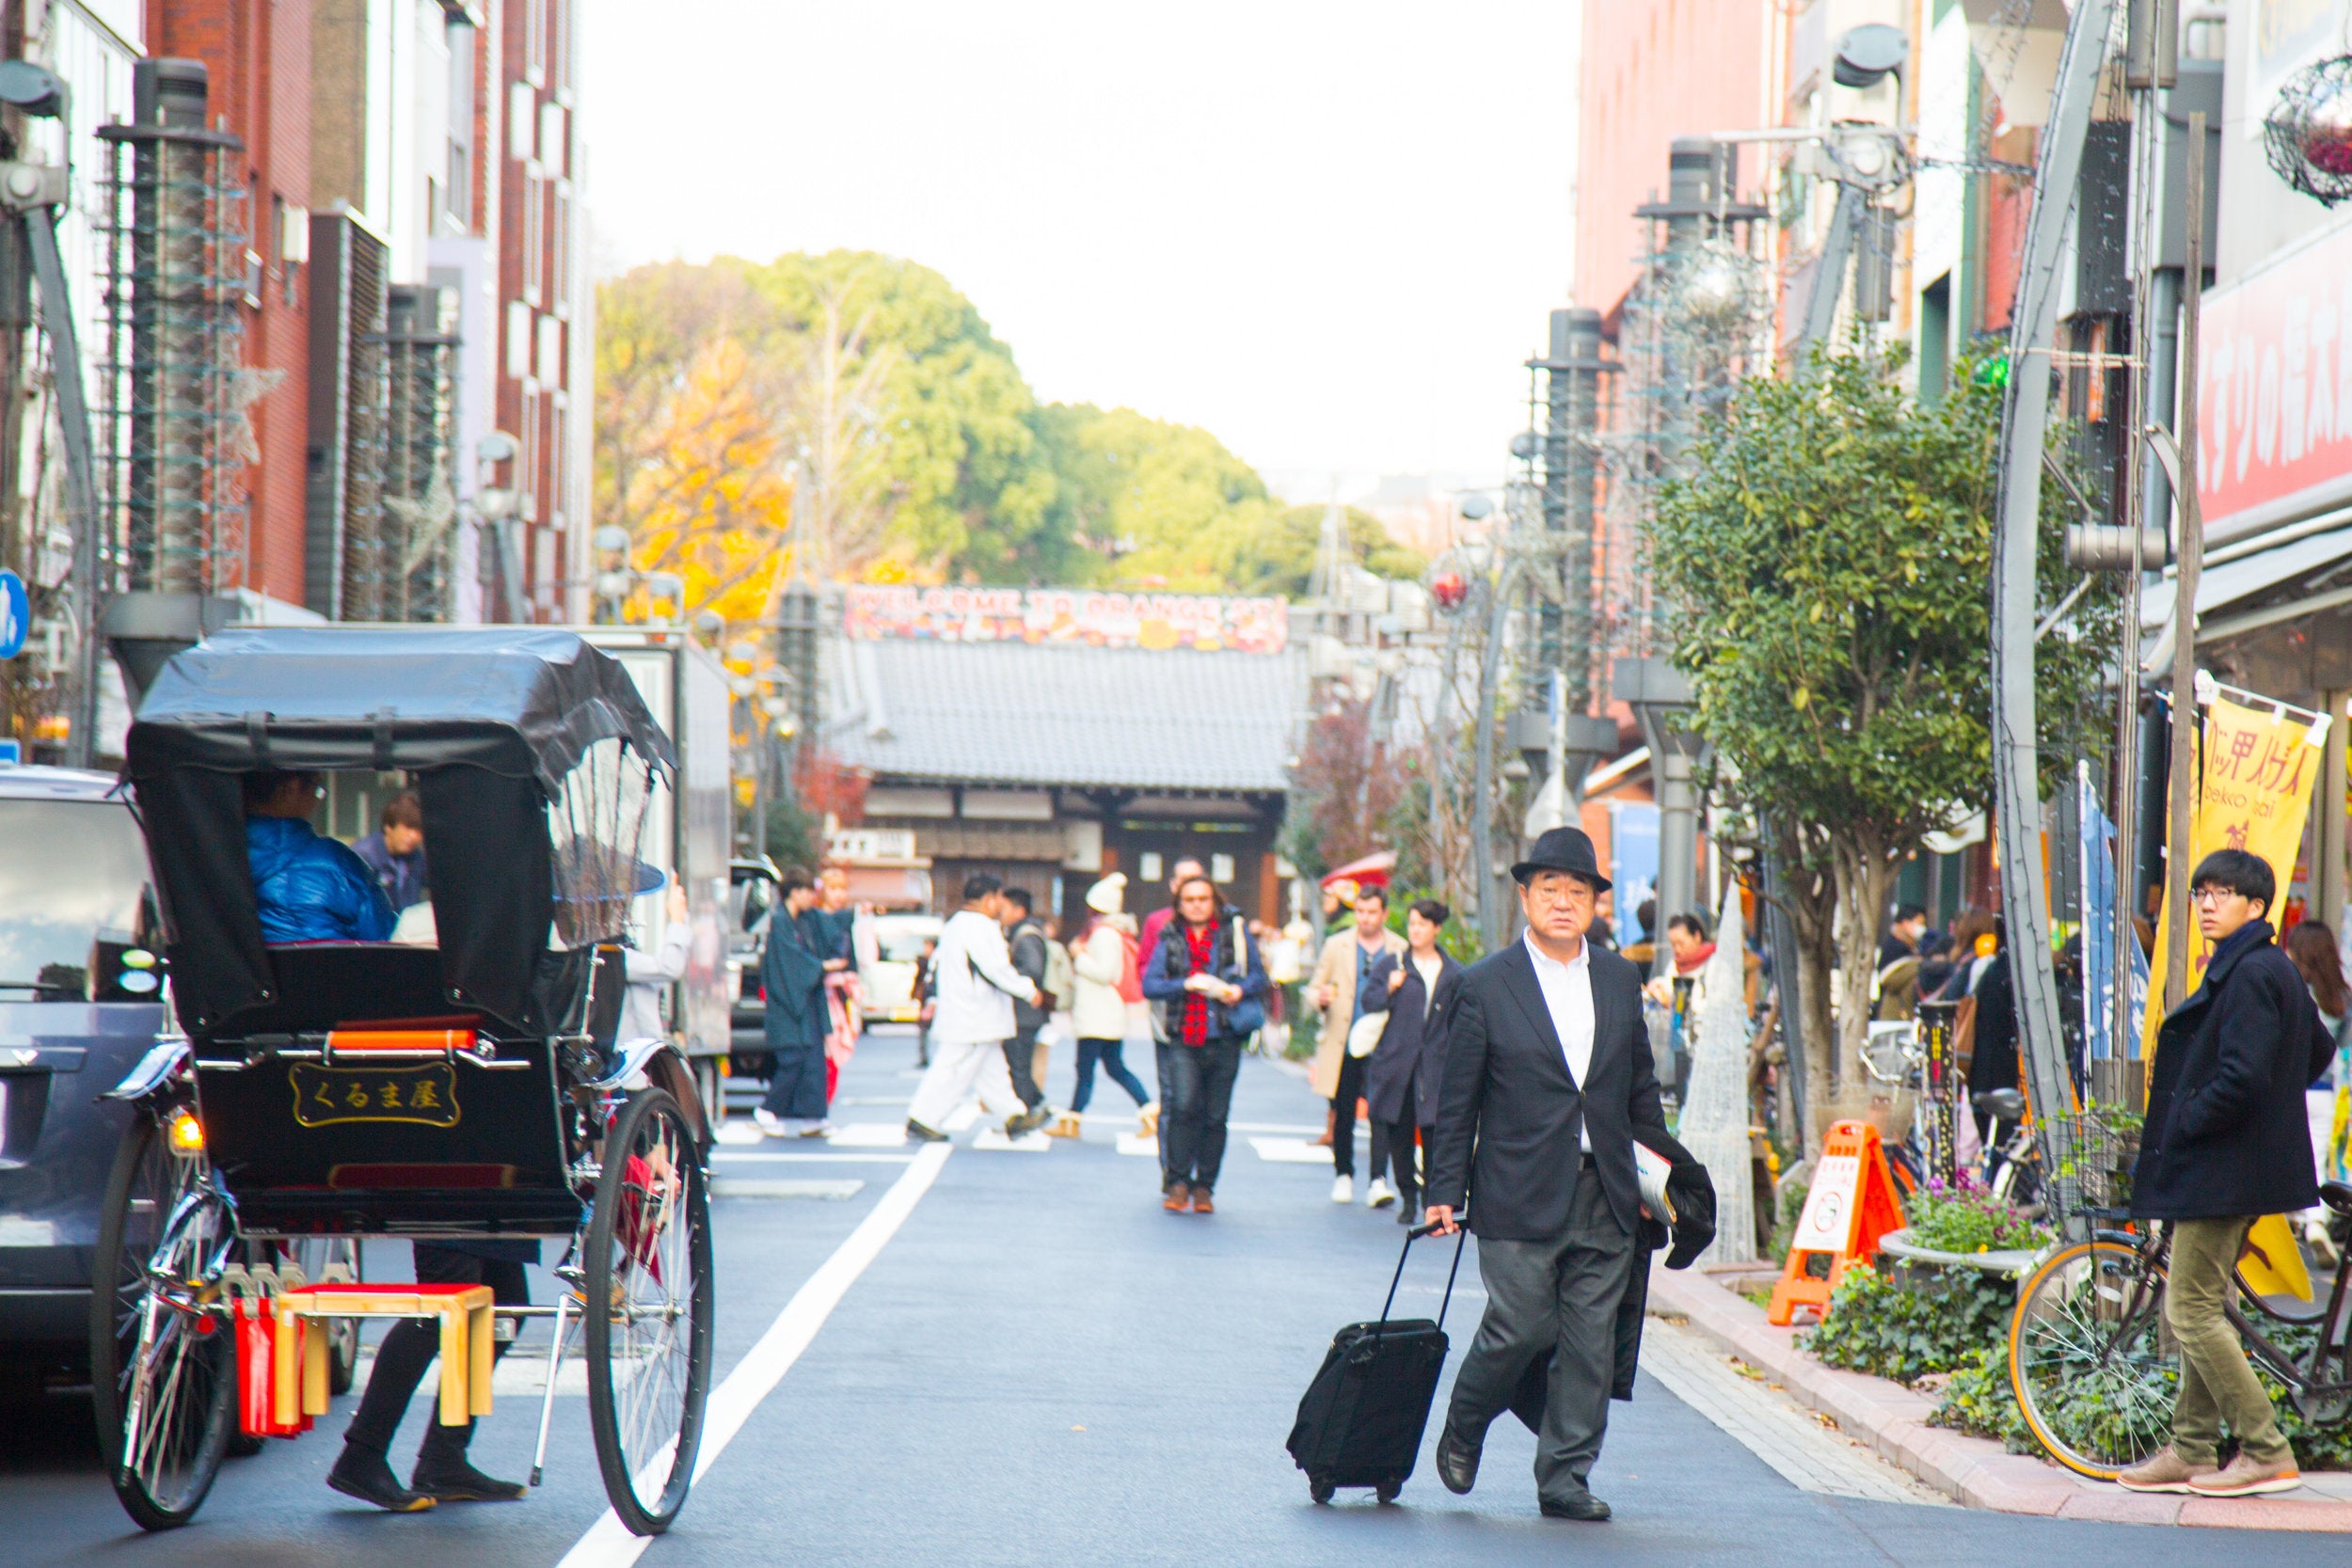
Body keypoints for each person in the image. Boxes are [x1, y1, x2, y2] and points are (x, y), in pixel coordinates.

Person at [1423, 826, 1710, 1524]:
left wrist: (1657, 1181)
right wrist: (1442, 1192)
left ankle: (1565, 1475)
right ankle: (1465, 1422)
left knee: (1588, 1343)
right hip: (1516, 1189)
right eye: (1548, 888)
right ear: (1525, 896)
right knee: (1519, 1324)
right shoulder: (1484, 983)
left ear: (1592, 903)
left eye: (1576, 891)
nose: (1561, 901)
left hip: (1606, 1189)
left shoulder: (1618, 976)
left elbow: (1639, 1089)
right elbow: (1457, 1101)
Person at [2119, 848, 2329, 1498]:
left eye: (2223, 893)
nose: (2207, 904)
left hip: (2223, 1168)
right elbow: (2316, 1047)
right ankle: (2192, 1447)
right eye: (2200, 892)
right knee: (2205, 1304)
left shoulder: (2251, 972)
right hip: (2235, 1165)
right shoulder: (2268, 968)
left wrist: (2190, 1118)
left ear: (2257, 906)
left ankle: (2264, 1446)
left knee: (2189, 1308)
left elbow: (2241, 1074)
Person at [326, 1235, 533, 1511]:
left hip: (488, 1201)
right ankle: (362, 1453)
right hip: (453, 1202)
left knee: (506, 1302)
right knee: (439, 1307)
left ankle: (443, 1459)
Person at [1141, 874, 1268, 1214]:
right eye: (1190, 899)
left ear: (1214, 901)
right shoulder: (1170, 936)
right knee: (1183, 1107)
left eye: (1203, 898)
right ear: (1179, 905)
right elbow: (1150, 985)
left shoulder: (1234, 932)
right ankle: (1178, 1181)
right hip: (1183, 1036)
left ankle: (1205, 1187)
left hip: (1225, 1036)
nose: (1197, 905)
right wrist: (1187, 984)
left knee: (1215, 1116)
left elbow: (1259, 976)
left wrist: (1239, 990)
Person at [906, 874, 1049, 1142]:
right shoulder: (980, 927)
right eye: (998, 898)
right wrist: (1028, 990)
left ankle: (1015, 1115)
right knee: (953, 1069)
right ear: (989, 898)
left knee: (991, 1069)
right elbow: (995, 968)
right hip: (974, 1012)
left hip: (967, 1011)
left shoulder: (956, 925)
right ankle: (922, 1117)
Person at [1356, 897, 1461, 1224]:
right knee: (1399, 1134)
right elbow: (1369, 1001)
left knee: (1433, 1135)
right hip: (1396, 1064)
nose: (1415, 930)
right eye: (1412, 923)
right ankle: (1408, 1198)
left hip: (1435, 1067)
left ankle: (1432, 1200)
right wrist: (1388, 987)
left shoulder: (1454, 972)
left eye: (1422, 924)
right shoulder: (1393, 964)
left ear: (1436, 929)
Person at [1307, 884, 1406, 1205]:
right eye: (1360, 912)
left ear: (1384, 914)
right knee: (1344, 1110)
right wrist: (1320, 999)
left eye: (1371, 912)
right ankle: (1343, 1174)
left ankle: (1377, 1179)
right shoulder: (1338, 945)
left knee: (1381, 1112)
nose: (1365, 918)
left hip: (1385, 1042)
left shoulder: (1399, 947)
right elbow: (1314, 987)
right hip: (1345, 1040)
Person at [245, 769, 395, 942]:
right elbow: (383, 937)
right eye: (317, 789)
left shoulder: (214, 855)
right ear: (290, 789)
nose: (316, 800)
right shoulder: (338, 862)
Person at [754, 875, 833, 1136]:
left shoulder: (803, 921)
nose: (811, 897)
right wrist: (822, 967)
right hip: (788, 1002)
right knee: (793, 1059)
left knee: (811, 1060)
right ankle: (767, 1109)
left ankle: (813, 1117)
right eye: (808, 890)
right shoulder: (780, 922)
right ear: (794, 892)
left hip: (803, 999)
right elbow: (791, 963)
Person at [1070, 874, 1152, 1118]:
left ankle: (1073, 1117)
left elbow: (1104, 973)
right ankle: (1148, 1109)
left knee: (1086, 1069)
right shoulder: (1114, 931)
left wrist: (1079, 955)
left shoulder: (1104, 933)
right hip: (1107, 1014)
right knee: (1115, 1067)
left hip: (1097, 1015)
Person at [2283, 921, 2352, 1184]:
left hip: (2288, 1087)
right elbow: (2344, 1044)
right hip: (2323, 1089)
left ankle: (2290, 1222)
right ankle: (2315, 1222)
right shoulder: (2341, 997)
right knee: (2317, 1162)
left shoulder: (2289, 991)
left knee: (2283, 1160)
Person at [1000, 888, 1055, 1121]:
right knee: (1017, 1065)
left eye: (1004, 908)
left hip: (1025, 1013)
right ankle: (1031, 1109)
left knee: (1019, 1066)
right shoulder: (1023, 932)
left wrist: (1005, 973)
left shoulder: (1026, 935)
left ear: (1018, 910)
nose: (999, 913)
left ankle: (1032, 1110)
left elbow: (1033, 970)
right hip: (1026, 1013)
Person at [620, 873, 691, 1046]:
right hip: (629, 1059)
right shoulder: (610, 954)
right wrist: (677, 920)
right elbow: (670, 967)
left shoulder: (619, 950)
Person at [353, 790, 430, 911]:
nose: (413, 836)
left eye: (419, 830)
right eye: (408, 828)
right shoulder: (364, 855)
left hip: (406, 927)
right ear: (388, 826)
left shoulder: (416, 857)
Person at [1880, 903, 1928, 968]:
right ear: (1905, 923)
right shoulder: (1897, 949)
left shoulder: (1908, 945)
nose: (1922, 928)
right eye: (1920, 923)